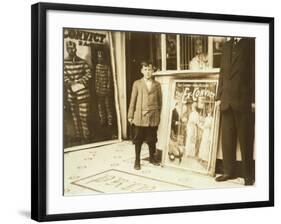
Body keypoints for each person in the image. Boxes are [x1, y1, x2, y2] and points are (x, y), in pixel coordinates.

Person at [215, 37, 255, 186]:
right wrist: (218, 96)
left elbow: (254, 72)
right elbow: (222, 72)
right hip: (226, 100)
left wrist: (254, 99)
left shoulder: (251, 43)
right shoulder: (226, 46)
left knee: (245, 139)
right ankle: (228, 171)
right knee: (227, 140)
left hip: (243, 100)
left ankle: (248, 175)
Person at [128, 61, 162, 170]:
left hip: (153, 115)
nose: (148, 72)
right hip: (140, 116)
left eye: (150, 70)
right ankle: (137, 160)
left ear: (153, 71)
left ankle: (152, 158)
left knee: (152, 139)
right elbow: (133, 100)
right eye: (145, 69)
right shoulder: (137, 83)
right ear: (142, 71)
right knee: (138, 139)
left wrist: (158, 113)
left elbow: (160, 101)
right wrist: (130, 115)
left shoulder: (157, 85)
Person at [64, 40, 92, 143]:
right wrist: (70, 83)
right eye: (70, 48)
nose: (73, 50)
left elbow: (89, 74)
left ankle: (87, 135)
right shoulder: (63, 62)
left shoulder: (82, 61)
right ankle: (78, 135)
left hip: (83, 93)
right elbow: (64, 76)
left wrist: (80, 81)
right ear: (67, 49)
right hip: (71, 93)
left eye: (74, 48)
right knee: (75, 116)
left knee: (84, 115)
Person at [95, 50, 113, 126]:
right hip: (99, 90)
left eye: (101, 57)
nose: (100, 58)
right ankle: (103, 120)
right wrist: (96, 88)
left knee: (108, 106)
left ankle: (110, 122)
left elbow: (109, 78)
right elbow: (96, 79)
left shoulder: (107, 67)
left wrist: (108, 88)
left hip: (106, 90)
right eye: (98, 57)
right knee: (100, 106)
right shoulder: (97, 66)